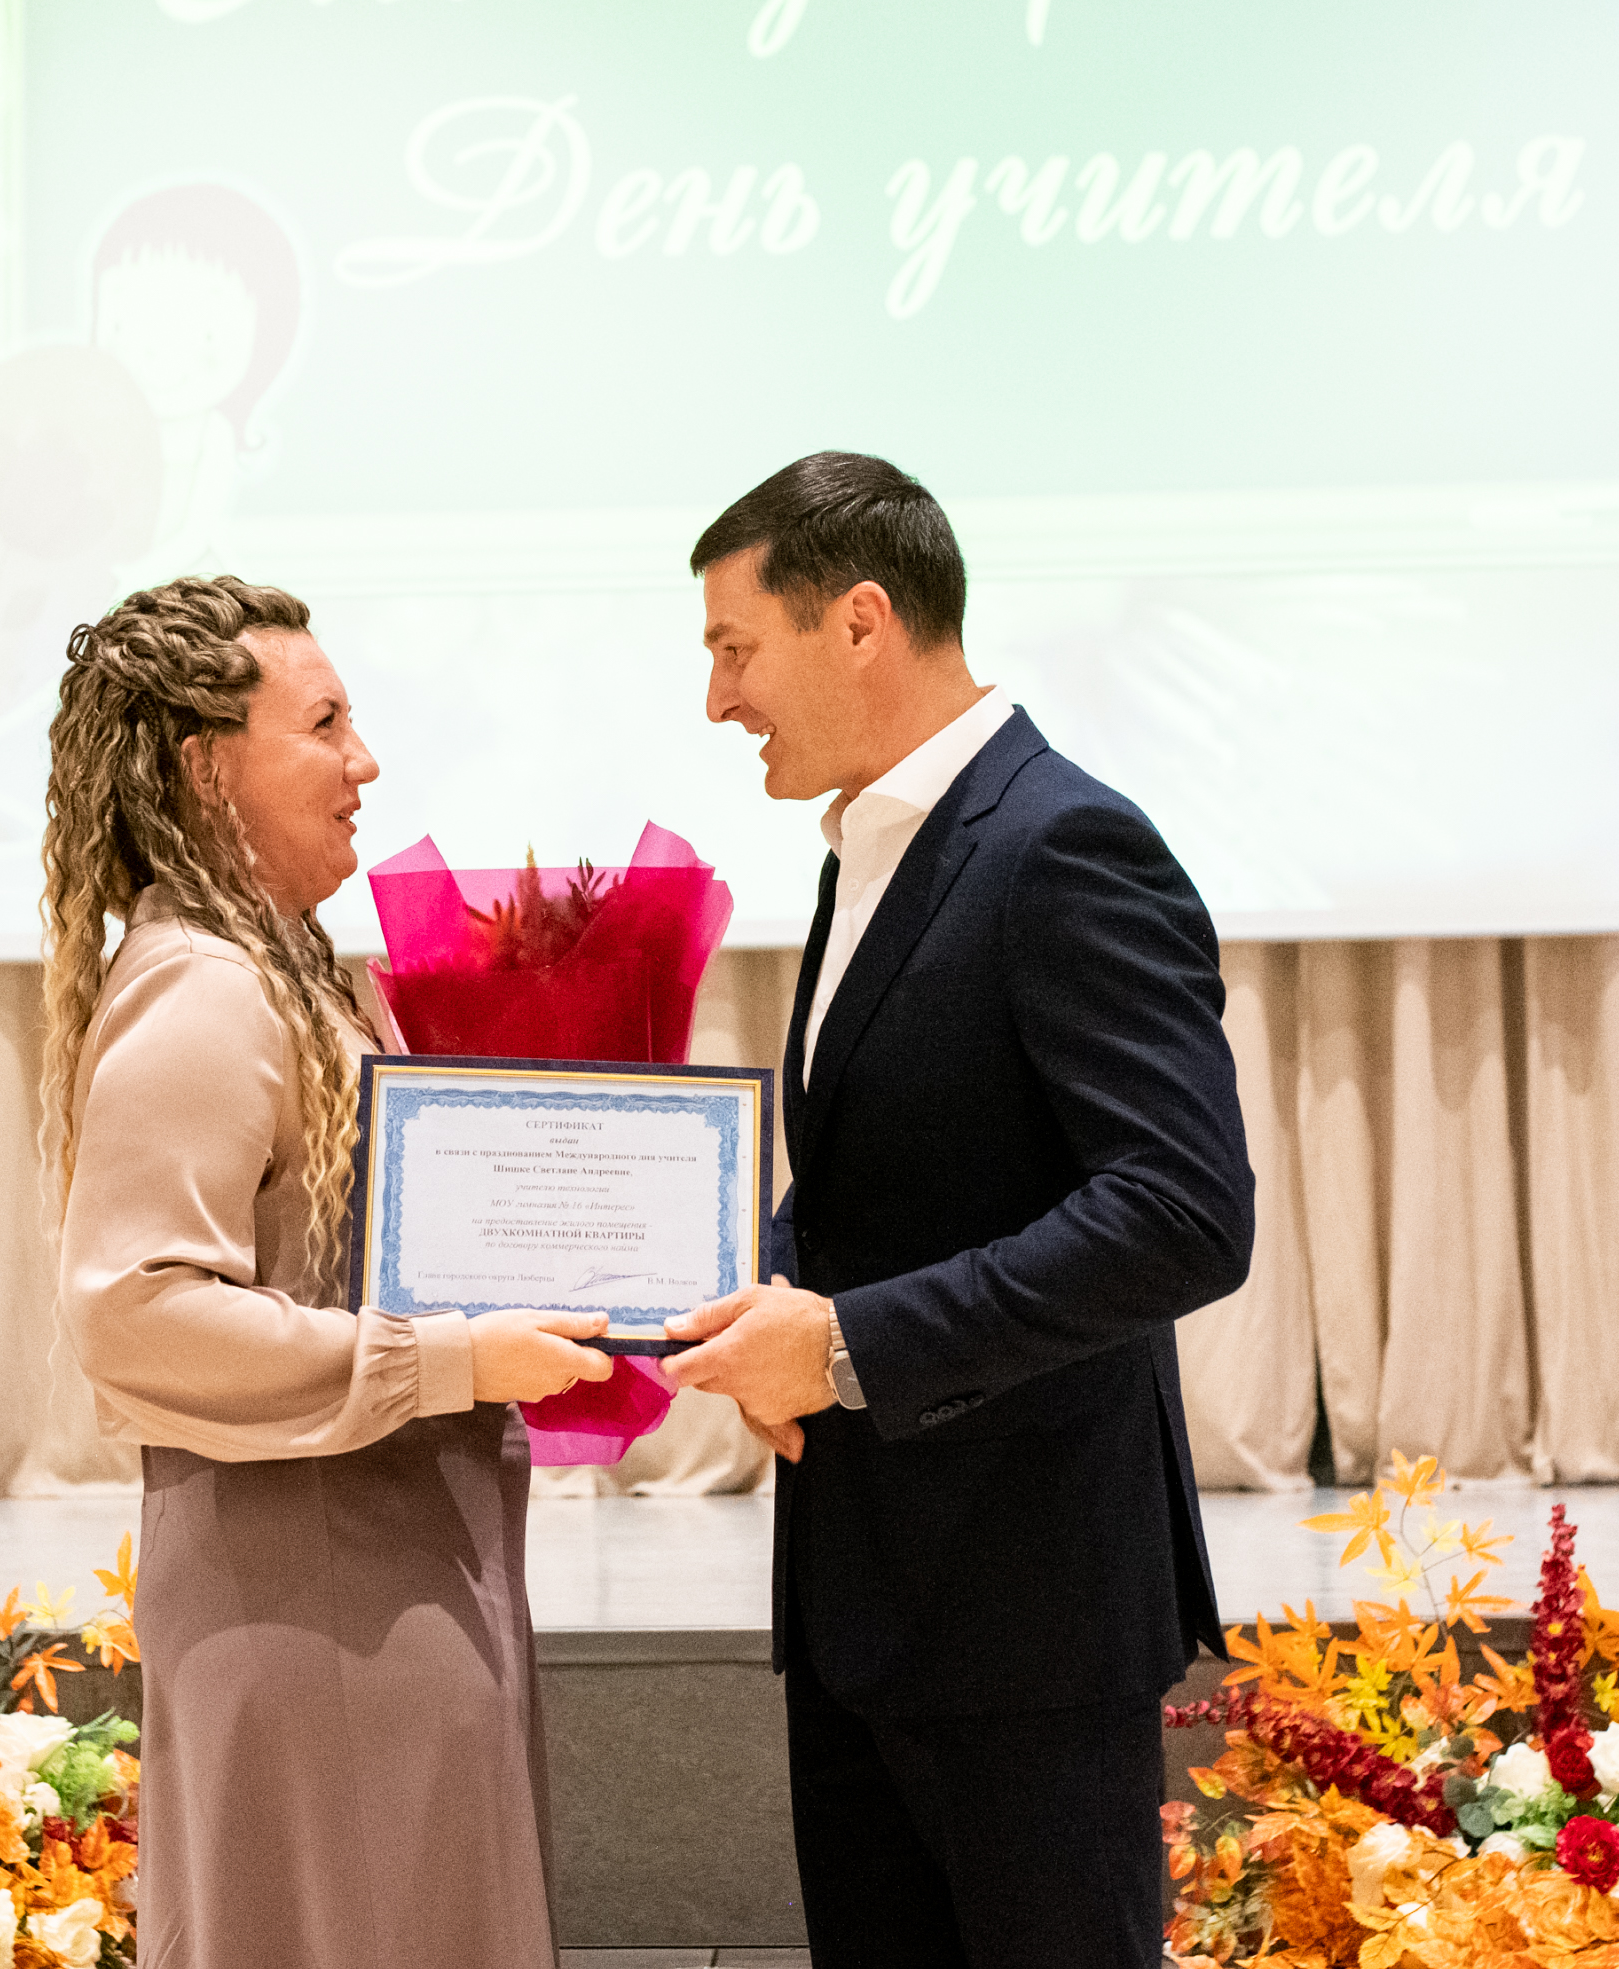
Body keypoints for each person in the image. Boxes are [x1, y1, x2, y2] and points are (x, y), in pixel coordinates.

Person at [662, 453, 1254, 1968]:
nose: (718, 700)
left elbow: (1183, 1209)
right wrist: (757, 1285)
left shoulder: (1063, 844)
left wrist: (842, 1344)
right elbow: (878, 1177)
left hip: (1026, 1619)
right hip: (866, 1605)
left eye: (735, 648)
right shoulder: (872, 845)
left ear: (859, 621)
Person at [38, 575, 613, 1968]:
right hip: (316, 1601)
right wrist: (456, 1357)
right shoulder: (208, 987)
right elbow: (137, 1313)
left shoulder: (285, 969)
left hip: (374, 1570)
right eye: (325, 725)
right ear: (205, 768)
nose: (365, 763)